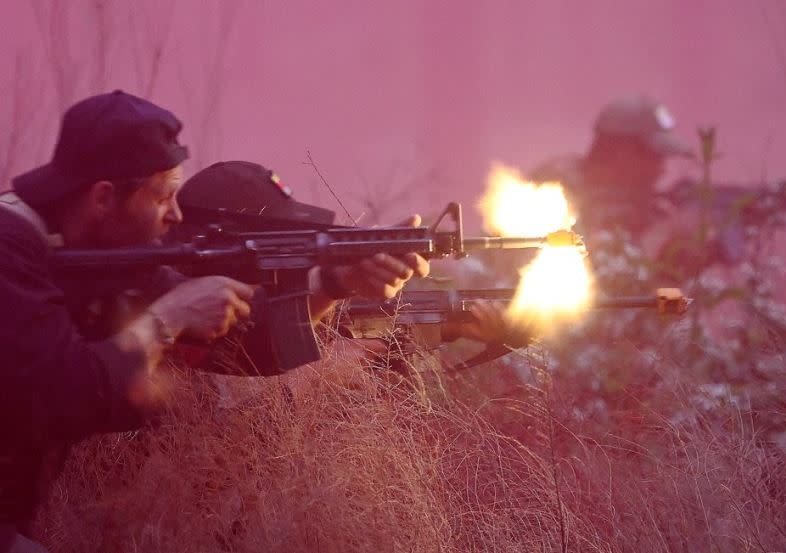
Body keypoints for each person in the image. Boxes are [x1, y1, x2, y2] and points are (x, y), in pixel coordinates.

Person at [0, 92, 426, 552]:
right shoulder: (11, 251)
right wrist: (168, 320)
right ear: (104, 197)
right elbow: (65, 391)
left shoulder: (104, 258)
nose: (176, 215)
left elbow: (246, 343)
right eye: (162, 197)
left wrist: (337, 281)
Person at [174, 161, 531, 363]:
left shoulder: (238, 322)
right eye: (290, 252)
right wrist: (335, 372)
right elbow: (228, 439)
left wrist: (452, 326)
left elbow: (351, 326)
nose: (302, 267)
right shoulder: (174, 335)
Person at [530, 96, 692, 239]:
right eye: (653, 156)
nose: (660, 169)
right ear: (622, 151)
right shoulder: (554, 188)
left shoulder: (655, 207)